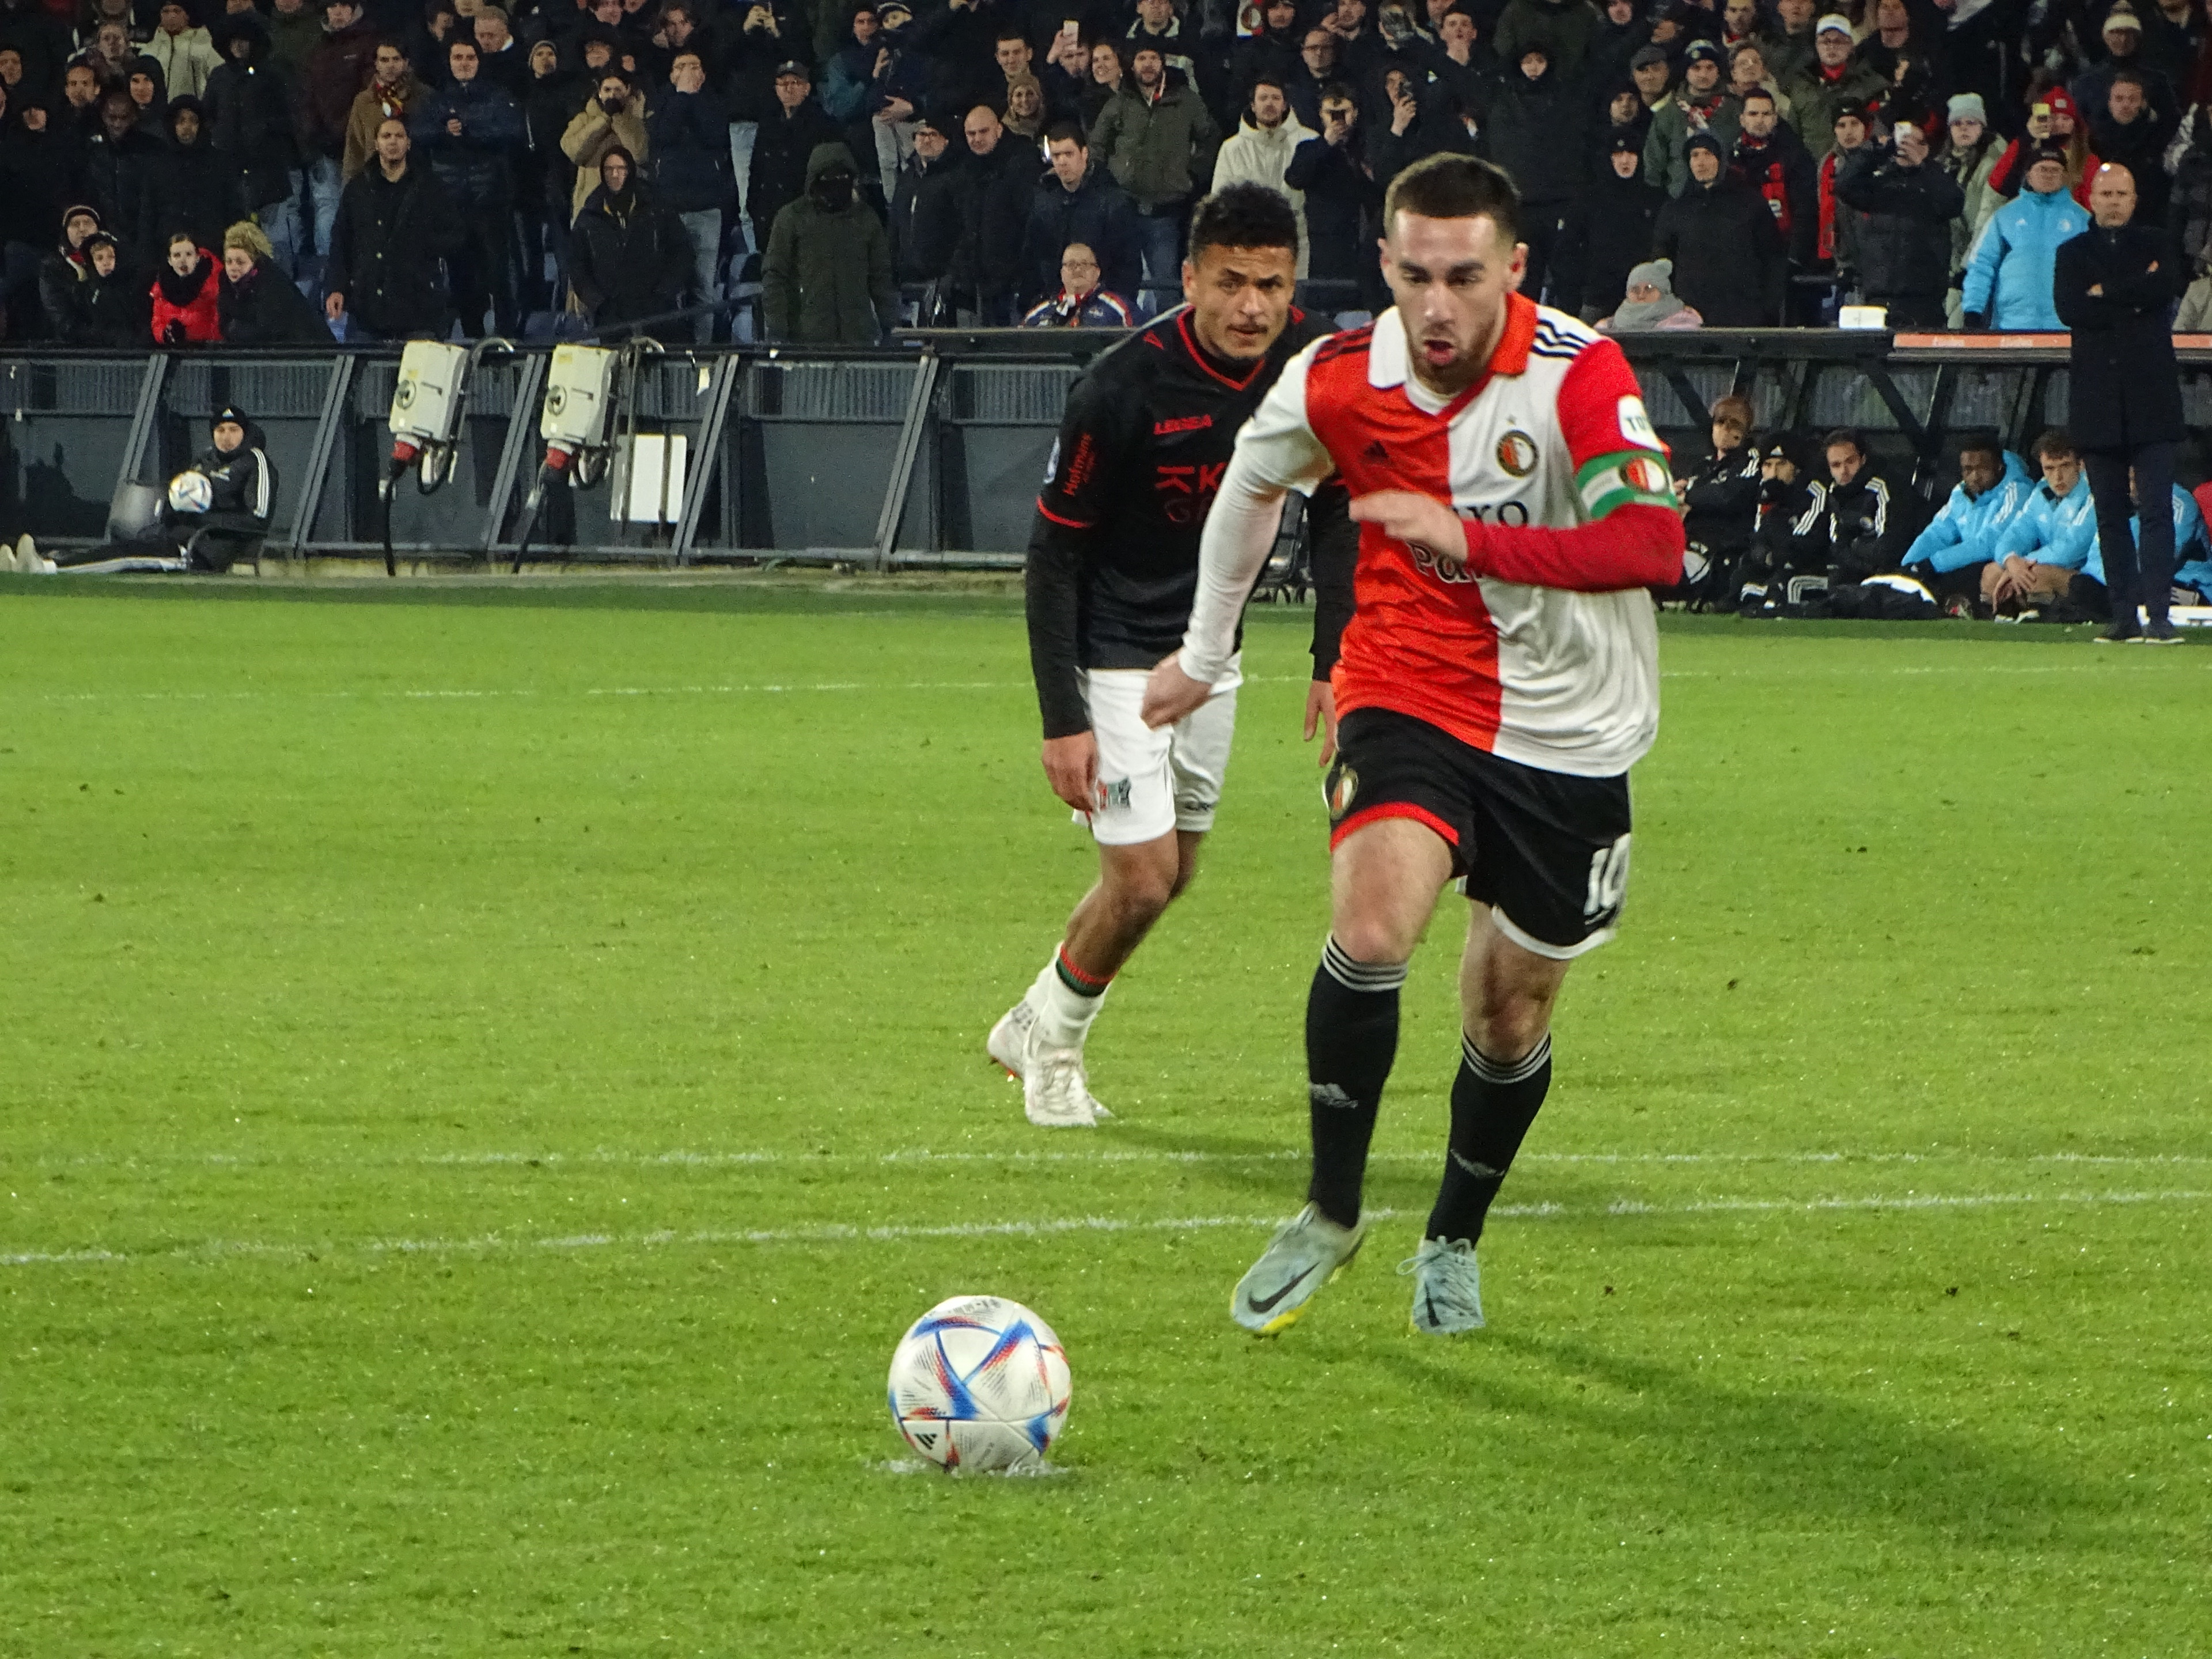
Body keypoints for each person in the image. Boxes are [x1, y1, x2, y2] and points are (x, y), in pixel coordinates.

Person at [1142, 154, 1684, 1336]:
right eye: (1416, 276)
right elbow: (1251, 485)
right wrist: (1204, 650)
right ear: (1385, 265)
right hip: (1407, 683)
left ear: (1513, 271)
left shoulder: (1578, 371)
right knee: (1373, 924)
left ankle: (1451, 1238)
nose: (1437, 305)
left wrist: (1472, 541)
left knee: (1508, 1012)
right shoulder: (1338, 376)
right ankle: (1331, 1212)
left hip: (1575, 725)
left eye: (1465, 277)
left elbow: (1652, 545)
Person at [991, 181, 1353, 1130]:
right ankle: (1055, 1053)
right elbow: (1053, 552)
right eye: (1229, 282)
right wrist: (1062, 719)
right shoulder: (1120, 387)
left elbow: (1340, 503)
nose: (1250, 306)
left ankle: (1034, 1016)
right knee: (1144, 877)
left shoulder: (1311, 370)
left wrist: (1333, 650)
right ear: (1188, 278)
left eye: (1270, 285)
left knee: (1169, 874)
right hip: (1116, 658)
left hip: (1212, 656)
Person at [2054, 163, 2186, 643]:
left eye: (2121, 193)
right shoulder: (2071, 252)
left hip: (2152, 398)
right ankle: (2124, 617)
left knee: (2156, 511)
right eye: (2105, 193)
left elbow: (2164, 286)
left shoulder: (2157, 242)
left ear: (2134, 199)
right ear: (2091, 197)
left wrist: (2105, 292)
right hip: (2097, 402)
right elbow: (2070, 308)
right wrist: (2133, 295)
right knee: (2109, 515)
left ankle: (2160, 616)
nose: (2113, 202)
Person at [16, 405, 274, 575]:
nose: (226, 437)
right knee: (127, 545)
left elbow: (258, 520)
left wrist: (203, 521)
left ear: (244, 432)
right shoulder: (204, 461)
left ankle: (49, 568)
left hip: (202, 552)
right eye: (220, 430)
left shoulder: (255, 462)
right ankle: (47, 559)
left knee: (126, 554)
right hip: (176, 538)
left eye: (233, 430)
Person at [1087, 44, 1219, 315]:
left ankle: (1166, 345)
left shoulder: (1187, 101)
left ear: (1163, 64)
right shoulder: (1119, 102)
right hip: (1124, 209)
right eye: (1141, 58)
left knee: (1166, 288)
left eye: (1154, 58)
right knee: (1122, 286)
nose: (1148, 64)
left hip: (1166, 212)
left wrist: (1192, 174)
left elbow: (1210, 138)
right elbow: (1097, 145)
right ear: (1132, 65)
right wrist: (1110, 183)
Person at [412, 37, 524, 335]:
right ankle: (473, 335)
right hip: (451, 204)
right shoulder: (435, 100)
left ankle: (508, 336)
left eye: (470, 57)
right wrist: (444, 131)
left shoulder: (498, 96)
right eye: (458, 57)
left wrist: (468, 130)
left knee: (499, 274)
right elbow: (418, 133)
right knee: (462, 276)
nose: (464, 63)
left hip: (491, 201)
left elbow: (512, 129)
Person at [325, 116, 463, 339]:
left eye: (399, 136)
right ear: (376, 144)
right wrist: (336, 287)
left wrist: (422, 247)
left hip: (419, 308)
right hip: (368, 310)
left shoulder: (430, 187)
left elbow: (454, 234)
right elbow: (341, 241)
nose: (393, 142)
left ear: (409, 143)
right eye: (386, 136)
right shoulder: (358, 189)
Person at [760, 139, 896, 343]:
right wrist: (778, 330)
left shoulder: (865, 218)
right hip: (806, 338)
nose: (837, 182)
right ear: (814, 180)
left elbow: (881, 277)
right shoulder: (792, 217)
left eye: (843, 176)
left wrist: (891, 328)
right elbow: (775, 275)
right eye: (829, 177)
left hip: (858, 338)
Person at [1832, 118, 1963, 327]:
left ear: (1926, 148)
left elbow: (1953, 203)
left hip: (1923, 301)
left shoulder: (1936, 179)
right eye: (1902, 141)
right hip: (1878, 296)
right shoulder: (1879, 183)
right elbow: (1844, 185)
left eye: (1913, 142)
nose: (1905, 147)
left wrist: (1923, 165)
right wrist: (1876, 151)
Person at [647, 48, 735, 342]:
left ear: (704, 74)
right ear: (672, 75)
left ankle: (702, 352)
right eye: (681, 66)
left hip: (705, 207)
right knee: (667, 284)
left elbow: (715, 135)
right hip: (668, 209)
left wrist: (692, 99)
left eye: (694, 66)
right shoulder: (661, 102)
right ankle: (671, 348)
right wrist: (682, 97)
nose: (687, 71)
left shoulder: (714, 102)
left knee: (702, 287)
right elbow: (663, 136)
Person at [1652, 130, 1783, 324]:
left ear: (1721, 159)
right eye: (1695, 155)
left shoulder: (1751, 203)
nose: (1701, 162)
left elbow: (1773, 258)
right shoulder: (1675, 209)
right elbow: (1661, 261)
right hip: (1689, 318)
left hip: (1744, 316)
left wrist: (1767, 308)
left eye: (1707, 154)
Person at [1959, 143, 2088, 331]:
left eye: (2055, 170)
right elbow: (1981, 264)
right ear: (2028, 174)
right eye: (2042, 169)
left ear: (2065, 176)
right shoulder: (2004, 217)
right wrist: (1973, 310)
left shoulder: (2082, 219)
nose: (2048, 174)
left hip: (2067, 328)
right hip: (2011, 326)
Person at [1900, 435, 2035, 613]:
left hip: (1999, 561)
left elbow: (1990, 543)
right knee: (1913, 579)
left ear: (1999, 467)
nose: (1974, 477)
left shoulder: (2018, 491)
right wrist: (1909, 565)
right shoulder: (1961, 492)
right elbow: (1937, 533)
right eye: (1968, 470)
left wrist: (1933, 564)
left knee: (1941, 580)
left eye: (1982, 469)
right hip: (1966, 562)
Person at [567, 144, 692, 328]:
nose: (615, 175)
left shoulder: (658, 208)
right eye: (609, 169)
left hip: (657, 314)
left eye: (621, 169)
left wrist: (665, 292)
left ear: (630, 170)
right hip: (611, 319)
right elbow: (577, 267)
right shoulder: (589, 217)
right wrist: (599, 304)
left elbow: (682, 252)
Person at [1284, 81, 1382, 313]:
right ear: (1321, 115)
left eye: (1344, 113)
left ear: (1355, 113)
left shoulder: (1368, 148)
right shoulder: (1310, 148)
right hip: (1327, 247)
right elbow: (1295, 178)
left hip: (1365, 241)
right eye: (1331, 114)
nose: (1338, 120)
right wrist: (1326, 143)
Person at [1019, 122, 1140, 310]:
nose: (1062, 162)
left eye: (1069, 154)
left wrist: (1116, 308)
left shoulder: (1113, 202)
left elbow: (1128, 265)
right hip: (1053, 305)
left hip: (1104, 307)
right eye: (1057, 155)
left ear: (1084, 153)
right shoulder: (1044, 202)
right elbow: (1032, 260)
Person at [1987, 427, 2103, 620]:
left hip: (2089, 578)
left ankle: (2042, 624)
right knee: (1992, 572)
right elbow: (2015, 533)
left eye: (2065, 466)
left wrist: (2022, 564)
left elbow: (2072, 549)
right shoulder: (2041, 492)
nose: (2057, 477)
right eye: (2049, 469)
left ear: (2080, 465)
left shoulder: (2094, 493)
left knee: (2036, 575)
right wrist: (2010, 560)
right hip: (2050, 566)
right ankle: (2000, 624)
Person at [1209, 75, 1314, 277]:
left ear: (1285, 105)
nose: (1269, 104)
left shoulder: (1308, 141)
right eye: (1263, 98)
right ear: (1253, 105)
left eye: (1276, 98)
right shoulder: (1232, 148)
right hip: (1247, 244)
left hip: (1297, 240)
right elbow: (1220, 200)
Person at [1672, 394, 1760, 606]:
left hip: (1718, 550)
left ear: (1745, 431)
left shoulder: (1751, 461)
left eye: (1734, 425)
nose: (1725, 430)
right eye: (1720, 423)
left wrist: (1689, 495)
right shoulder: (1703, 467)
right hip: (1684, 543)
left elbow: (1728, 496)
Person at [1645, 38, 1740, 198]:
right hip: (1681, 201)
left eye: (1710, 68)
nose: (1704, 75)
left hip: (1728, 200)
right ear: (1686, 71)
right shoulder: (1668, 112)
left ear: (1718, 71)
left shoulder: (1735, 109)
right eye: (1696, 68)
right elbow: (1654, 165)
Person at [1820, 428, 1916, 584]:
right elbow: (1837, 545)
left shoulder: (1884, 486)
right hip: (1860, 569)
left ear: (1863, 459)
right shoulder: (1834, 491)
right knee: (1838, 582)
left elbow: (1887, 549)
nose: (1844, 471)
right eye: (1836, 465)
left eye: (1850, 462)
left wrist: (1855, 544)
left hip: (1898, 570)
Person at [217, 219, 329, 340]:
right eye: (229, 262)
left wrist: (234, 330)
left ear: (254, 261)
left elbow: (267, 331)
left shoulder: (272, 282)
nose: (233, 267)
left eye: (240, 262)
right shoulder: (226, 286)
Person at [344, 40, 424, 183]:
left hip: (414, 180)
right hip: (374, 182)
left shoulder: (422, 96)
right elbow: (354, 149)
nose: (390, 66)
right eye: (384, 60)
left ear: (406, 62)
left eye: (396, 59)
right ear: (376, 64)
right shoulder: (363, 102)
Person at [1019, 240, 1134, 325]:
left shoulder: (1121, 309)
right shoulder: (1039, 312)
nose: (1078, 270)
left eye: (1085, 264)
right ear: (1062, 273)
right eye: (1071, 265)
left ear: (1097, 272)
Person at [150, 232, 221, 343]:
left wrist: (189, 335)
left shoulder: (215, 285)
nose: (183, 260)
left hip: (207, 352)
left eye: (189, 254)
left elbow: (219, 326)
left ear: (198, 257)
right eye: (177, 255)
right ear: (169, 260)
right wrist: (166, 335)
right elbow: (157, 323)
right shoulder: (161, 288)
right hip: (173, 353)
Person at [1597, 255, 1702, 328]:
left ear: (1663, 292)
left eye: (1649, 288)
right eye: (1635, 290)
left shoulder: (1683, 325)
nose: (1641, 295)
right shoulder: (1606, 329)